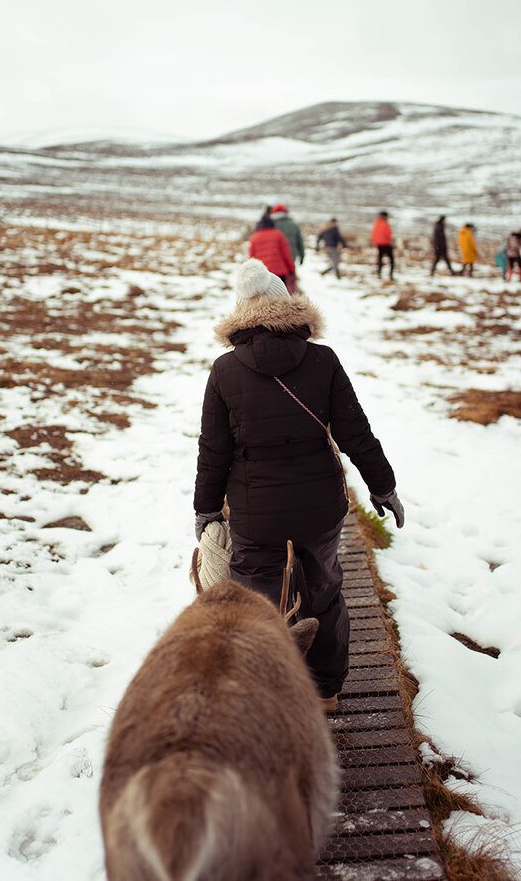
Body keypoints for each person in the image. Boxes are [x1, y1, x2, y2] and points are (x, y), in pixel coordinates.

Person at [193, 259, 404, 714]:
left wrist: (206, 509)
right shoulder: (323, 360)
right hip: (319, 506)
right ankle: (326, 691)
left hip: (254, 510)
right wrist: (382, 487)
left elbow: (214, 450)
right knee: (324, 591)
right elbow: (356, 433)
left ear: (240, 314)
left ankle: (267, 691)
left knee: (257, 602)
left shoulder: (225, 371)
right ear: (287, 304)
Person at [249, 207, 296, 293]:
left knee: (266, 299)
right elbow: (286, 254)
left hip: (263, 275)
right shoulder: (278, 234)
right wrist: (291, 269)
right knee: (281, 297)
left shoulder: (254, 238)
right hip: (280, 273)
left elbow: (251, 259)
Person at [371, 211, 395, 279]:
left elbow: (373, 235)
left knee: (380, 259)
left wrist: (376, 242)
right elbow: (389, 234)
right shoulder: (385, 224)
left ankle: (379, 274)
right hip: (386, 244)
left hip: (379, 245)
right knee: (391, 260)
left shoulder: (376, 223)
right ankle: (391, 275)